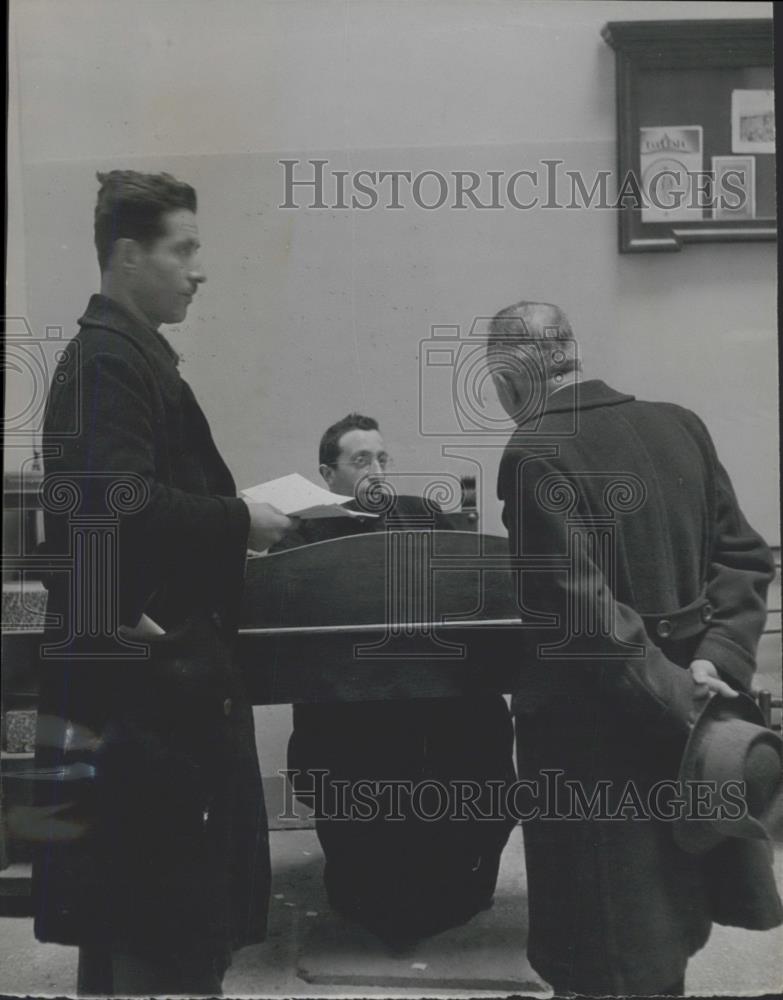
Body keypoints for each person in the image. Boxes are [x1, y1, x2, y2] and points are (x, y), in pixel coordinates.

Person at [32, 170, 295, 996]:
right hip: (148, 703)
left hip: (147, 686)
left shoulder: (123, 355)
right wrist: (237, 520)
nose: (198, 268)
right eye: (182, 249)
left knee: (148, 924)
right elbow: (114, 501)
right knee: (159, 928)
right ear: (126, 255)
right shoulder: (111, 359)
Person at [488, 300, 778, 996]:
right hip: (689, 699)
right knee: (665, 917)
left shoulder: (533, 452)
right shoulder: (677, 424)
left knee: (605, 943)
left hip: (592, 739)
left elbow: (586, 619)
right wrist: (715, 664)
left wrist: (680, 702)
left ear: (507, 375)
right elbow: (741, 556)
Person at [272, 413, 517, 948]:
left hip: (437, 695)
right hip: (349, 701)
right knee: (364, 755)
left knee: (475, 732)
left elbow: (473, 586)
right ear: (326, 474)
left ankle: (458, 887)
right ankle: (375, 896)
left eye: (383, 458)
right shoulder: (302, 535)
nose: (378, 470)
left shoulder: (422, 513)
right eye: (361, 460)